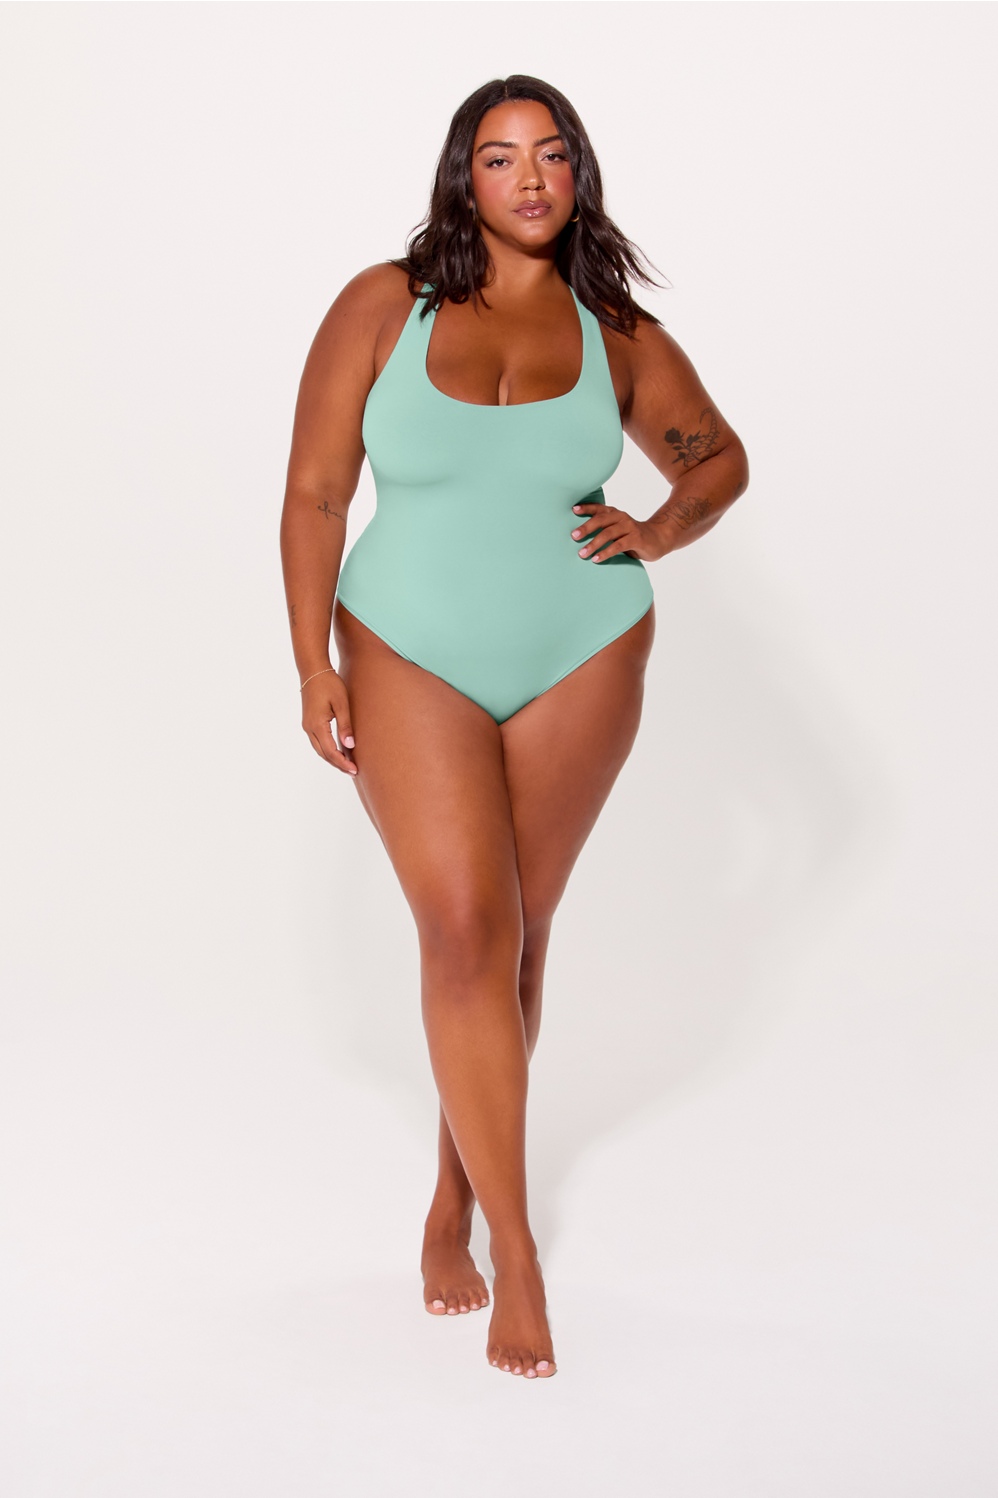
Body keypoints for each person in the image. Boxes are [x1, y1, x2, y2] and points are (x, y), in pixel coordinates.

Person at [280, 74, 749, 1381]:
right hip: (404, 644)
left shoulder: (616, 329)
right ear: (463, 177)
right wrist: (310, 660)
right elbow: (316, 494)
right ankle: (518, 1252)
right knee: (465, 929)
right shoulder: (383, 305)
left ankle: (457, 1197)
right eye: (499, 157)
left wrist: (657, 530)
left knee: (519, 935)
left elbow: (716, 458)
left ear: (577, 171)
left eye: (550, 154)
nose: (529, 178)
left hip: (578, 651)